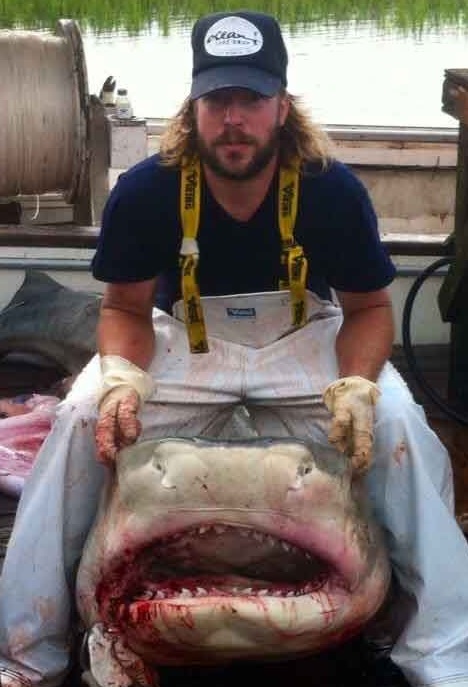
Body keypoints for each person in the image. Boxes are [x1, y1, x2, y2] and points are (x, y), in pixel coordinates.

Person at [0, 9, 467, 687]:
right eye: (218, 99)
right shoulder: (146, 191)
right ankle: (25, 649)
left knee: (400, 429)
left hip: (306, 340)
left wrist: (358, 386)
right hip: (184, 343)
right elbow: (124, 308)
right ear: (195, 105)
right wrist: (124, 377)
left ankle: (443, 654)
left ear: (282, 104)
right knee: (78, 419)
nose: (234, 119)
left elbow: (368, 309)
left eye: (251, 98)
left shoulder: (332, 188)